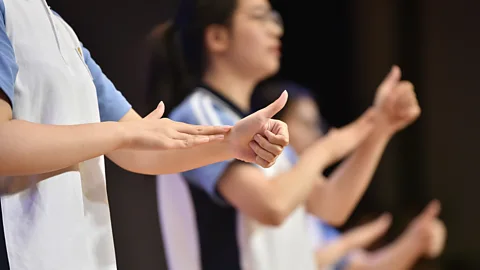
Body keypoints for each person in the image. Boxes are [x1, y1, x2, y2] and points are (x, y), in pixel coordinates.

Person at [0, 1, 291, 269]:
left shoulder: (62, 31)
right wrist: (122, 134)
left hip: (77, 252)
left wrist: (230, 143)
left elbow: (139, 148)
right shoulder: (8, 12)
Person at [148, 0, 422, 269]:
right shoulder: (197, 115)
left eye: (274, 18)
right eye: (260, 17)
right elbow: (272, 205)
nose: (276, 30)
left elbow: (331, 205)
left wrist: (381, 126)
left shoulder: (253, 124)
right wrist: (325, 150)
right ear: (218, 37)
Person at [252, 80, 447, 270]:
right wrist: (347, 243)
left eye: (317, 124)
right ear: (273, 124)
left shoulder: (308, 208)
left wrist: (415, 242)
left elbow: (361, 263)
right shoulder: (259, 166)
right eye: (308, 123)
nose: (317, 134)